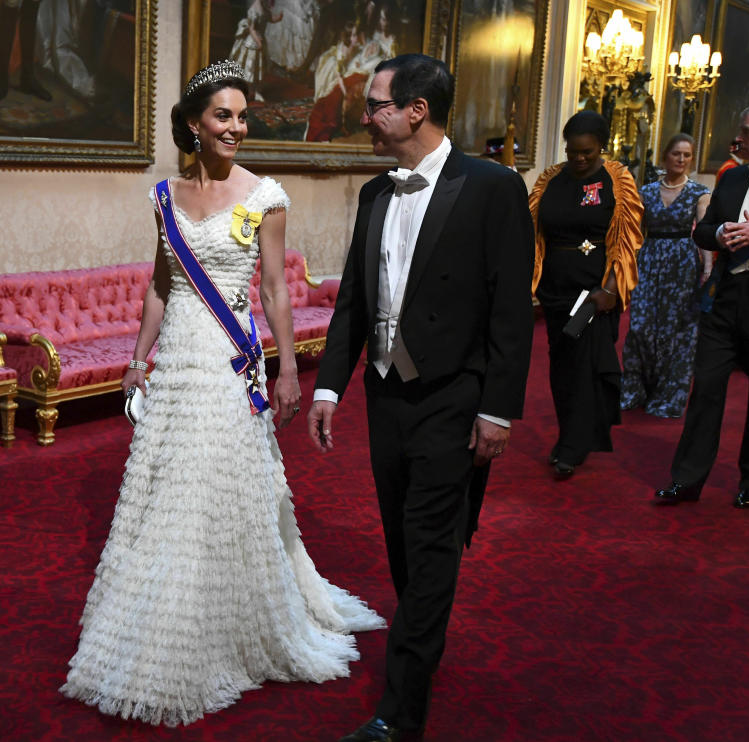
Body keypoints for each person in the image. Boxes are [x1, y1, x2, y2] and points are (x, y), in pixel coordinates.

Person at [60, 59, 384, 727]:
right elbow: (159, 285)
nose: (236, 126)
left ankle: (222, 630)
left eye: (242, 115)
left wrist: (291, 369)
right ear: (192, 124)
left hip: (229, 362)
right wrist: (136, 361)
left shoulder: (265, 195)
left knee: (215, 488)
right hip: (177, 357)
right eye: (223, 115)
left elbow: (272, 291)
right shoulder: (163, 197)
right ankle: (160, 627)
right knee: (166, 490)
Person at [308, 54, 534, 742]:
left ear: (415, 111)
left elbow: (509, 310)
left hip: (452, 399)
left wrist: (497, 409)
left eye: (375, 103)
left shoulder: (493, 187)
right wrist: (328, 386)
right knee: (404, 543)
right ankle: (422, 643)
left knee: (432, 544)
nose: (365, 115)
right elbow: (354, 298)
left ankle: (398, 716)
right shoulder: (377, 193)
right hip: (385, 396)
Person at [529, 110, 643, 479]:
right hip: (555, 291)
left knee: (584, 369)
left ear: (601, 149)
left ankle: (572, 448)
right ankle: (569, 435)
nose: (579, 159)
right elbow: (532, 231)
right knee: (562, 367)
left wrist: (609, 288)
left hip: (596, 293)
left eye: (587, 153)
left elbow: (626, 239)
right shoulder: (551, 180)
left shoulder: (617, 180)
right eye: (572, 151)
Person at [655, 104, 749, 509]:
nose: (744, 138)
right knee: (706, 391)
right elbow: (704, 230)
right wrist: (723, 234)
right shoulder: (732, 178)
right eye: (745, 130)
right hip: (725, 300)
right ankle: (687, 480)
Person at [620, 134, 711, 418]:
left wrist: (708, 266)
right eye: (676, 154)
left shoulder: (700, 192)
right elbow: (634, 233)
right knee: (641, 326)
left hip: (683, 263)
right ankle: (635, 388)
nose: (681, 160)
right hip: (649, 260)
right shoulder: (645, 191)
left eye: (687, 155)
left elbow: (705, 231)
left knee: (677, 330)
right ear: (665, 157)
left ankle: (668, 394)